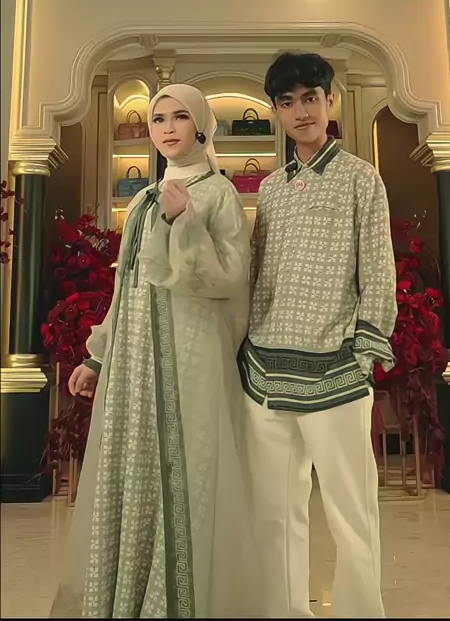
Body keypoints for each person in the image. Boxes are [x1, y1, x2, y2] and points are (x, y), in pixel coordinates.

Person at [51, 84, 262, 619]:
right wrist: (98, 355)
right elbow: (127, 288)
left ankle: (179, 603)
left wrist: (184, 221)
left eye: (180, 117)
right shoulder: (144, 198)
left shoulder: (218, 193)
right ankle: (129, 596)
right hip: (135, 360)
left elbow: (231, 278)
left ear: (202, 126)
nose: (167, 128)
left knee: (190, 471)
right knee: (136, 470)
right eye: (158, 118)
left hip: (193, 353)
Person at [238, 52, 397, 619]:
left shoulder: (361, 177)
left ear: (331, 100)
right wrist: (245, 349)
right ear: (277, 112)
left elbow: (378, 269)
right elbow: (259, 273)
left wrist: (365, 353)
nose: (301, 111)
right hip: (267, 372)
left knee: (352, 514)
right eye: (287, 102)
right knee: (274, 514)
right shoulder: (272, 188)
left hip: (337, 370)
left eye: (310, 97)